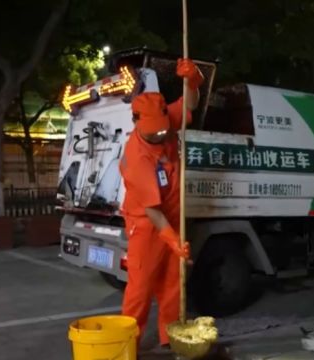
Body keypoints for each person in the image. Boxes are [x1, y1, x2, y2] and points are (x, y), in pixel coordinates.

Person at [119, 58, 204, 350]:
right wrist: (173, 240)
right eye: (153, 133)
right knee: (140, 288)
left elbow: (190, 105)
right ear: (136, 122)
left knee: (172, 283)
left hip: (172, 215)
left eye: (162, 130)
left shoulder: (166, 121)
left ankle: (170, 337)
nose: (160, 136)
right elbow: (152, 211)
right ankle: (128, 344)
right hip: (146, 225)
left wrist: (194, 80)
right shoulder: (137, 157)